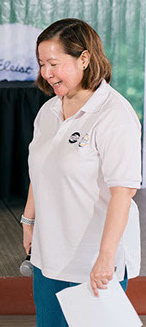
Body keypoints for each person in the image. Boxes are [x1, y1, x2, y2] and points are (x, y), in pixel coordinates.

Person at [23, 18, 141, 326]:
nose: (46, 73)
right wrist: (28, 221)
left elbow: (123, 192)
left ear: (84, 58)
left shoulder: (114, 115)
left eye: (54, 64)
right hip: (48, 259)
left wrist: (105, 258)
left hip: (93, 263)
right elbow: (40, 170)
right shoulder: (48, 111)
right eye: (41, 64)